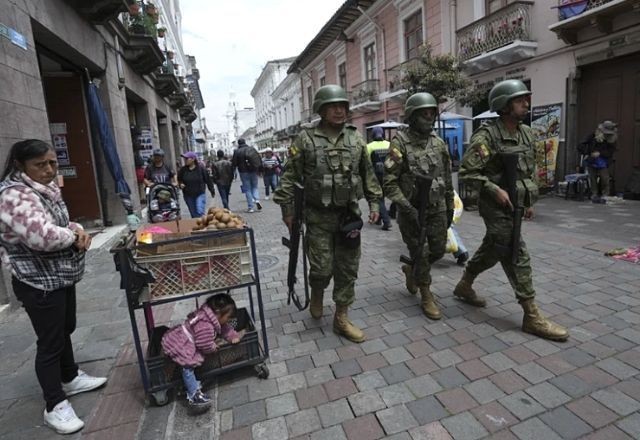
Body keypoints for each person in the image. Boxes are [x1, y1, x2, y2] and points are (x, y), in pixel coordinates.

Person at [0, 140, 107, 434]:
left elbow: (57, 222)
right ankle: (54, 404)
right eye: (40, 164)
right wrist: (74, 237)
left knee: (64, 329)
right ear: (21, 165)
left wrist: (77, 229)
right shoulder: (14, 195)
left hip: (58, 275)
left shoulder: (40, 188)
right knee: (49, 342)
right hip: (36, 280)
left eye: (52, 163)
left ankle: (70, 376)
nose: (48, 169)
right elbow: (41, 235)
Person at [454, 79, 569, 341]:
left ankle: (464, 284)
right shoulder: (486, 136)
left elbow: (528, 171)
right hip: (494, 206)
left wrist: (528, 201)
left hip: (516, 203)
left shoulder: (527, 133)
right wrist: (494, 189)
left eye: (525, 99)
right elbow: (468, 172)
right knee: (514, 250)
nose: (526, 104)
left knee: (493, 248)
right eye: (520, 100)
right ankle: (531, 315)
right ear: (504, 106)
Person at [273, 84, 382, 343]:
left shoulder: (356, 138)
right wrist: (287, 210)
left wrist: (375, 203)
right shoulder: (306, 139)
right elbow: (289, 177)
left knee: (347, 268)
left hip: (348, 217)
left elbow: (368, 175)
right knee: (321, 269)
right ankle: (318, 291)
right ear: (321, 110)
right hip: (317, 217)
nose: (339, 110)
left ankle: (341, 318)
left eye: (342, 106)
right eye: (332, 106)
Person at [383, 92, 454, 320]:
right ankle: (426, 294)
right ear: (412, 116)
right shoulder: (399, 143)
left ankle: (411, 270)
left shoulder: (438, 142)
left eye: (432, 113)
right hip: (412, 209)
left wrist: (450, 205)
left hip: (437, 207)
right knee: (421, 253)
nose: (430, 118)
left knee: (438, 249)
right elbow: (389, 182)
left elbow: (447, 176)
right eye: (425, 114)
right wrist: (406, 207)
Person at [161, 293, 244, 408]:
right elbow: (203, 344)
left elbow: (225, 329)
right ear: (219, 313)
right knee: (187, 367)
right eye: (228, 317)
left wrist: (233, 336)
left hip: (185, 338)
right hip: (182, 343)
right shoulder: (206, 325)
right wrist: (212, 347)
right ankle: (194, 393)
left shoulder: (209, 316)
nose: (228, 320)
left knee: (187, 366)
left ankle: (189, 385)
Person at [579, 120, 617, 203]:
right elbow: (581, 145)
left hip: (604, 161)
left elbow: (611, 151)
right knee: (592, 178)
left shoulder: (612, 138)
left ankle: (605, 194)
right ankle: (594, 194)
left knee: (605, 178)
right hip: (592, 160)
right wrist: (589, 153)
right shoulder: (592, 135)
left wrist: (600, 153)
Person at [367, 126, 392, 230]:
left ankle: (386, 221)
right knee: (382, 197)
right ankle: (378, 219)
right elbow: (398, 157)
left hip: (375, 175)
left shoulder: (369, 146)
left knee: (378, 198)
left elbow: (366, 162)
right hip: (388, 174)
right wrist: (388, 165)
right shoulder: (389, 145)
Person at [178, 152, 215, 218]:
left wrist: (212, 190)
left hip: (200, 193)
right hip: (188, 195)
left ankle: (202, 224)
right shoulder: (183, 170)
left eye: (187, 158)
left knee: (200, 211)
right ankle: (198, 226)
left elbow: (208, 180)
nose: (185, 160)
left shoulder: (201, 169)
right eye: (184, 158)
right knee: (193, 214)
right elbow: (179, 179)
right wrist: (181, 184)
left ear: (193, 159)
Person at [232, 138, 262, 212]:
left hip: (243, 172)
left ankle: (251, 207)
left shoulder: (237, 151)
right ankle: (257, 200)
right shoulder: (251, 149)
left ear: (238, 144)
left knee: (247, 189)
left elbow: (234, 163)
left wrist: (233, 172)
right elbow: (258, 159)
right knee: (255, 187)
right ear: (245, 142)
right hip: (253, 171)